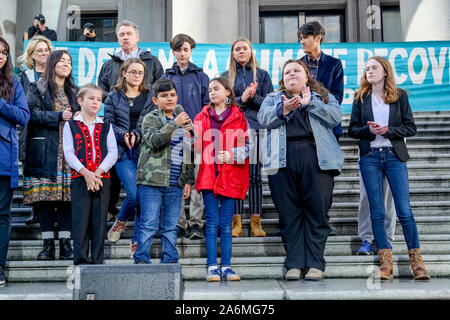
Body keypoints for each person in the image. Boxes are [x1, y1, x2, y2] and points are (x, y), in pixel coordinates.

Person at [257, 59, 343, 281]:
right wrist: (282, 109)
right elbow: (263, 119)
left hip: (317, 160)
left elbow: (335, 118)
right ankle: (294, 263)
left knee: (317, 212)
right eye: (287, 72)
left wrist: (310, 104)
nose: (291, 74)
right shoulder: (272, 98)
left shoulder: (323, 97)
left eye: (296, 71)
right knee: (289, 213)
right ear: (282, 79)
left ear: (307, 76)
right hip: (282, 161)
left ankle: (315, 264)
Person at [348, 56, 430, 281]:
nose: (369, 71)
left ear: (385, 71)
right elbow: (352, 130)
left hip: (394, 156)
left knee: (404, 210)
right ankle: (385, 261)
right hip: (370, 157)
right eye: (366, 69)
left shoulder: (400, 95)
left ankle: (417, 262)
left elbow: (410, 127)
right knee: (376, 210)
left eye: (374, 67)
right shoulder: (361, 96)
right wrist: (369, 130)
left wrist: (388, 131)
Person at [97, 20, 163, 224]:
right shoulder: (109, 65)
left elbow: (159, 92)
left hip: (144, 141)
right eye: (121, 34)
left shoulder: (152, 61)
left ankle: (138, 228)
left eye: (128, 34)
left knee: (142, 191)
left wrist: (139, 132)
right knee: (123, 184)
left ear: (137, 37)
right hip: (118, 141)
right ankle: (113, 211)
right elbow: (102, 92)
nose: (125, 37)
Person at [23, 50, 80, 261]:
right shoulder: (37, 87)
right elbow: (30, 114)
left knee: (67, 199)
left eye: (69, 62)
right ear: (53, 63)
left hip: (69, 152)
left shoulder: (74, 91)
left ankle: (65, 243)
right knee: (45, 200)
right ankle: (47, 245)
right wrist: (58, 116)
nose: (66, 64)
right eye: (62, 61)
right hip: (46, 150)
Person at [194, 77, 249, 282]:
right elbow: (195, 147)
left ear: (228, 92)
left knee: (226, 225)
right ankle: (211, 267)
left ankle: (226, 266)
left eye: (216, 89)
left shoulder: (239, 116)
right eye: (209, 90)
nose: (212, 93)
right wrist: (191, 137)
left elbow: (248, 145)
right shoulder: (201, 116)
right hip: (209, 176)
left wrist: (233, 154)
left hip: (230, 177)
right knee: (212, 223)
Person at [134, 78, 194, 264]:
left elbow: (189, 152)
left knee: (170, 225)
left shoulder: (183, 119)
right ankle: (142, 260)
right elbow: (154, 140)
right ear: (155, 100)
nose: (169, 99)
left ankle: (169, 260)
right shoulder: (150, 118)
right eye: (164, 96)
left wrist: (188, 180)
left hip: (175, 182)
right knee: (149, 224)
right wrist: (175, 124)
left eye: (173, 95)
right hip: (152, 181)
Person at [222, 37, 273, 238]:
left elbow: (269, 104)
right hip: (234, 131)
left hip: (257, 130)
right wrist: (240, 99)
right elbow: (223, 104)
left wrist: (254, 97)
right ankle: (236, 222)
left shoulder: (262, 75)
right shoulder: (226, 77)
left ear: (251, 52)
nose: (241, 51)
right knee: (235, 177)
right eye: (237, 49)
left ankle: (255, 222)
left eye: (245, 48)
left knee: (254, 178)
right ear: (232, 54)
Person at [104, 58, 155, 258]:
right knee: (134, 195)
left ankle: (136, 242)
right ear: (124, 73)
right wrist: (122, 134)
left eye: (140, 72)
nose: (136, 75)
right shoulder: (113, 97)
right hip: (121, 151)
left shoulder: (150, 96)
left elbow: (149, 122)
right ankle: (122, 219)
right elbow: (107, 123)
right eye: (132, 72)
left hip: (145, 152)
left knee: (143, 198)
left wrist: (137, 133)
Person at [161, 33, 209, 240]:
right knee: (177, 178)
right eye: (178, 50)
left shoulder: (201, 76)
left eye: (186, 49)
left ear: (191, 51)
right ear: (173, 52)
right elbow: (161, 105)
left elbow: (207, 104)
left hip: (196, 134)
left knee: (198, 179)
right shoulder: (166, 77)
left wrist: (199, 127)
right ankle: (179, 222)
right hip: (173, 135)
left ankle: (196, 222)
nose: (182, 53)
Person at [298, 21, 344, 236]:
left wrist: (314, 102)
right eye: (300, 37)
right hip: (302, 130)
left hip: (326, 128)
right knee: (304, 180)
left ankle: (323, 221)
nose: (302, 41)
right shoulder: (297, 65)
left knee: (325, 179)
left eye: (306, 37)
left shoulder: (334, 64)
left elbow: (337, 96)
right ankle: (305, 221)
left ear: (318, 38)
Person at [63, 83, 117, 265]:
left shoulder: (106, 126)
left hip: (102, 179)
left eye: (99, 100)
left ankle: (98, 261)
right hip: (80, 179)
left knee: (99, 222)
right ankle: (80, 261)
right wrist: (86, 173)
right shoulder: (71, 125)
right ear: (80, 101)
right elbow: (69, 152)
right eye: (91, 98)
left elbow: (113, 152)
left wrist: (97, 173)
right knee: (80, 221)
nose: (96, 102)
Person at [0, 38, 30, 286]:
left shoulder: (14, 84)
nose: (0, 56)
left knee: (2, 215)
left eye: (4, 52)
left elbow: (23, 116)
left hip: (3, 158)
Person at [18, 35, 53, 225]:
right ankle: (34, 208)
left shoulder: (54, 74)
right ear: (31, 54)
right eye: (39, 50)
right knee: (30, 169)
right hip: (29, 128)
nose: (44, 53)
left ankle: (48, 208)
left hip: (49, 127)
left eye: (46, 50)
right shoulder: (24, 76)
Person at [356, 174, 396, 255]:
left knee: (388, 197)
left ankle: (386, 239)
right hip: (367, 162)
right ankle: (366, 239)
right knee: (366, 197)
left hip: (391, 162)